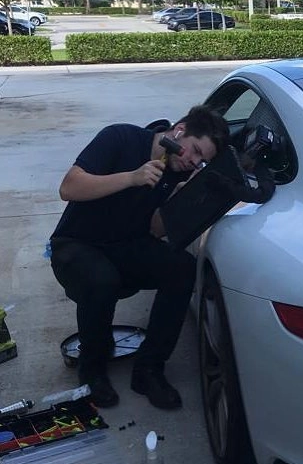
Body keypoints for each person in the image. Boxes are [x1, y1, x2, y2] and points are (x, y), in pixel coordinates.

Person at [50, 105, 230, 410]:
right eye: (195, 150)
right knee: (101, 279)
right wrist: (132, 178)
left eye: (201, 161)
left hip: (126, 246)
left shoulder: (175, 173)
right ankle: (92, 370)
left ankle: (149, 369)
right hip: (76, 244)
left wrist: (180, 203)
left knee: (182, 269)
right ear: (180, 131)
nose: (193, 161)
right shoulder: (120, 137)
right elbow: (69, 187)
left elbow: (153, 230)